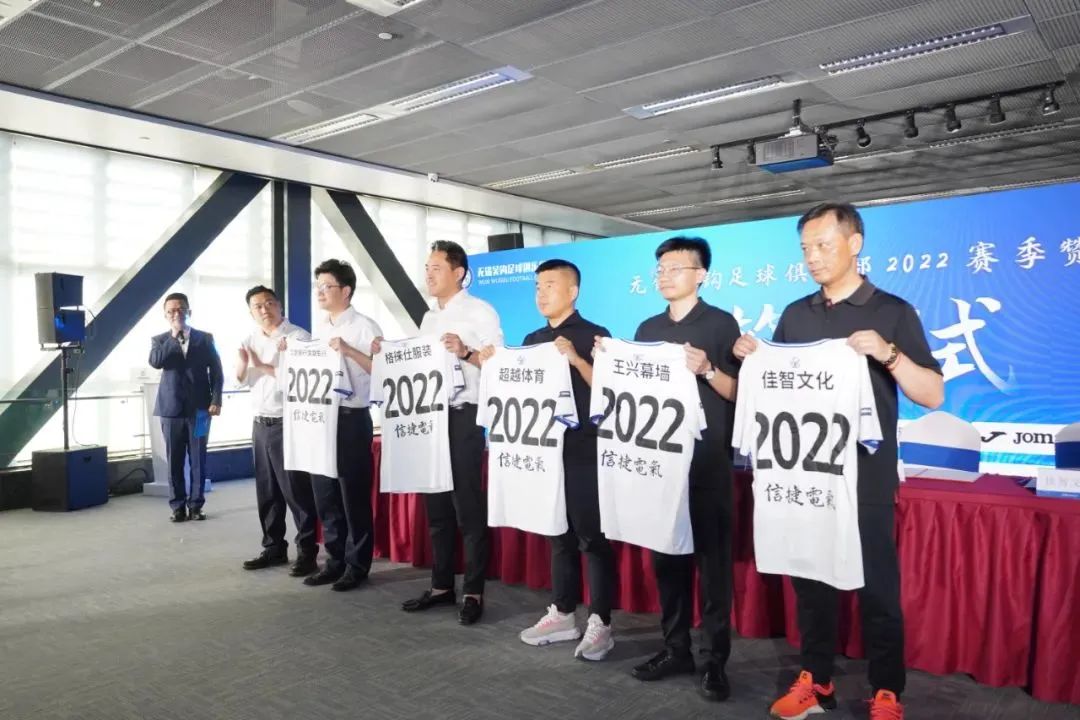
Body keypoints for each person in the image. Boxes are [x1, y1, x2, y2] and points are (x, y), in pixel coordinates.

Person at [734, 203, 943, 720]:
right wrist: (753, 359)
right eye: (805, 248)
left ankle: (887, 689)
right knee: (811, 583)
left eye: (823, 245)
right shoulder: (796, 314)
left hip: (865, 475)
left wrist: (889, 354)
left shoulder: (892, 311)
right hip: (805, 470)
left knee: (877, 588)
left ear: (855, 244)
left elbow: (933, 393)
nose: (812, 257)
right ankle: (817, 679)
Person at [604, 236, 741, 701]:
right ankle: (675, 648)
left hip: (707, 463)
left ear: (701, 275)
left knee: (713, 567)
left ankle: (714, 659)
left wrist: (707, 370)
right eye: (660, 268)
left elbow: (739, 393)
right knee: (667, 561)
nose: (664, 275)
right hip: (659, 464)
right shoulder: (648, 328)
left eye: (675, 268)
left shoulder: (721, 324)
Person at [483, 259, 617, 660]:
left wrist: (577, 359)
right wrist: (491, 362)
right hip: (542, 451)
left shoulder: (596, 335)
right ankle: (562, 613)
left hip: (583, 449)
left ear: (572, 291)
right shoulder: (533, 338)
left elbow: (612, 390)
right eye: (538, 286)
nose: (541, 293)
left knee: (591, 537)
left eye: (550, 285)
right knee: (557, 533)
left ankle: (601, 623)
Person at [396, 240, 503, 626]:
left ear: (458, 273)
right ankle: (441, 586)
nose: (428, 274)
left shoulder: (480, 311)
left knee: (467, 508)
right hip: (430, 417)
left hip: (463, 416)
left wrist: (465, 351)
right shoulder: (428, 318)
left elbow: (499, 363)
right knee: (437, 507)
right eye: (427, 267)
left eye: (436, 267)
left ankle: (473, 591)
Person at [300, 259, 382, 592]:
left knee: (352, 494)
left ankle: (357, 564)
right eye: (317, 286)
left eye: (326, 286)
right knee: (326, 493)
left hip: (351, 418)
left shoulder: (365, 327)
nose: (320, 292)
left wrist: (348, 350)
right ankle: (333, 561)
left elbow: (382, 371)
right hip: (321, 418)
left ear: (346, 290)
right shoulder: (320, 328)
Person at [236, 285, 319, 577]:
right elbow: (241, 379)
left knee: (296, 491)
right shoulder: (249, 339)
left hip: (289, 422)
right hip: (260, 422)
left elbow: (299, 379)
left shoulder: (298, 337)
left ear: (280, 305)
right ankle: (273, 548)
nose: (264, 309)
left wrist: (262, 365)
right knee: (267, 491)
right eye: (257, 306)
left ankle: (307, 552)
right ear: (251, 312)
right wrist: (245, 365)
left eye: (269, 303)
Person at [149, 292, 223, 523]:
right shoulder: (159, 340)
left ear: (189, 311)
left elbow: (217, 372)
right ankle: (177, 506)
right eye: (171, 311)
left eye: (181, 309)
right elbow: (156, 362)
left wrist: (216, 400)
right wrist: (173, 337)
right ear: (165, 315)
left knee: (199, 459)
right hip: (170, 410)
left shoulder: (205, 338)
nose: (176, 314)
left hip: (200, 410)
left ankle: (196, 505)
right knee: (175, 460)